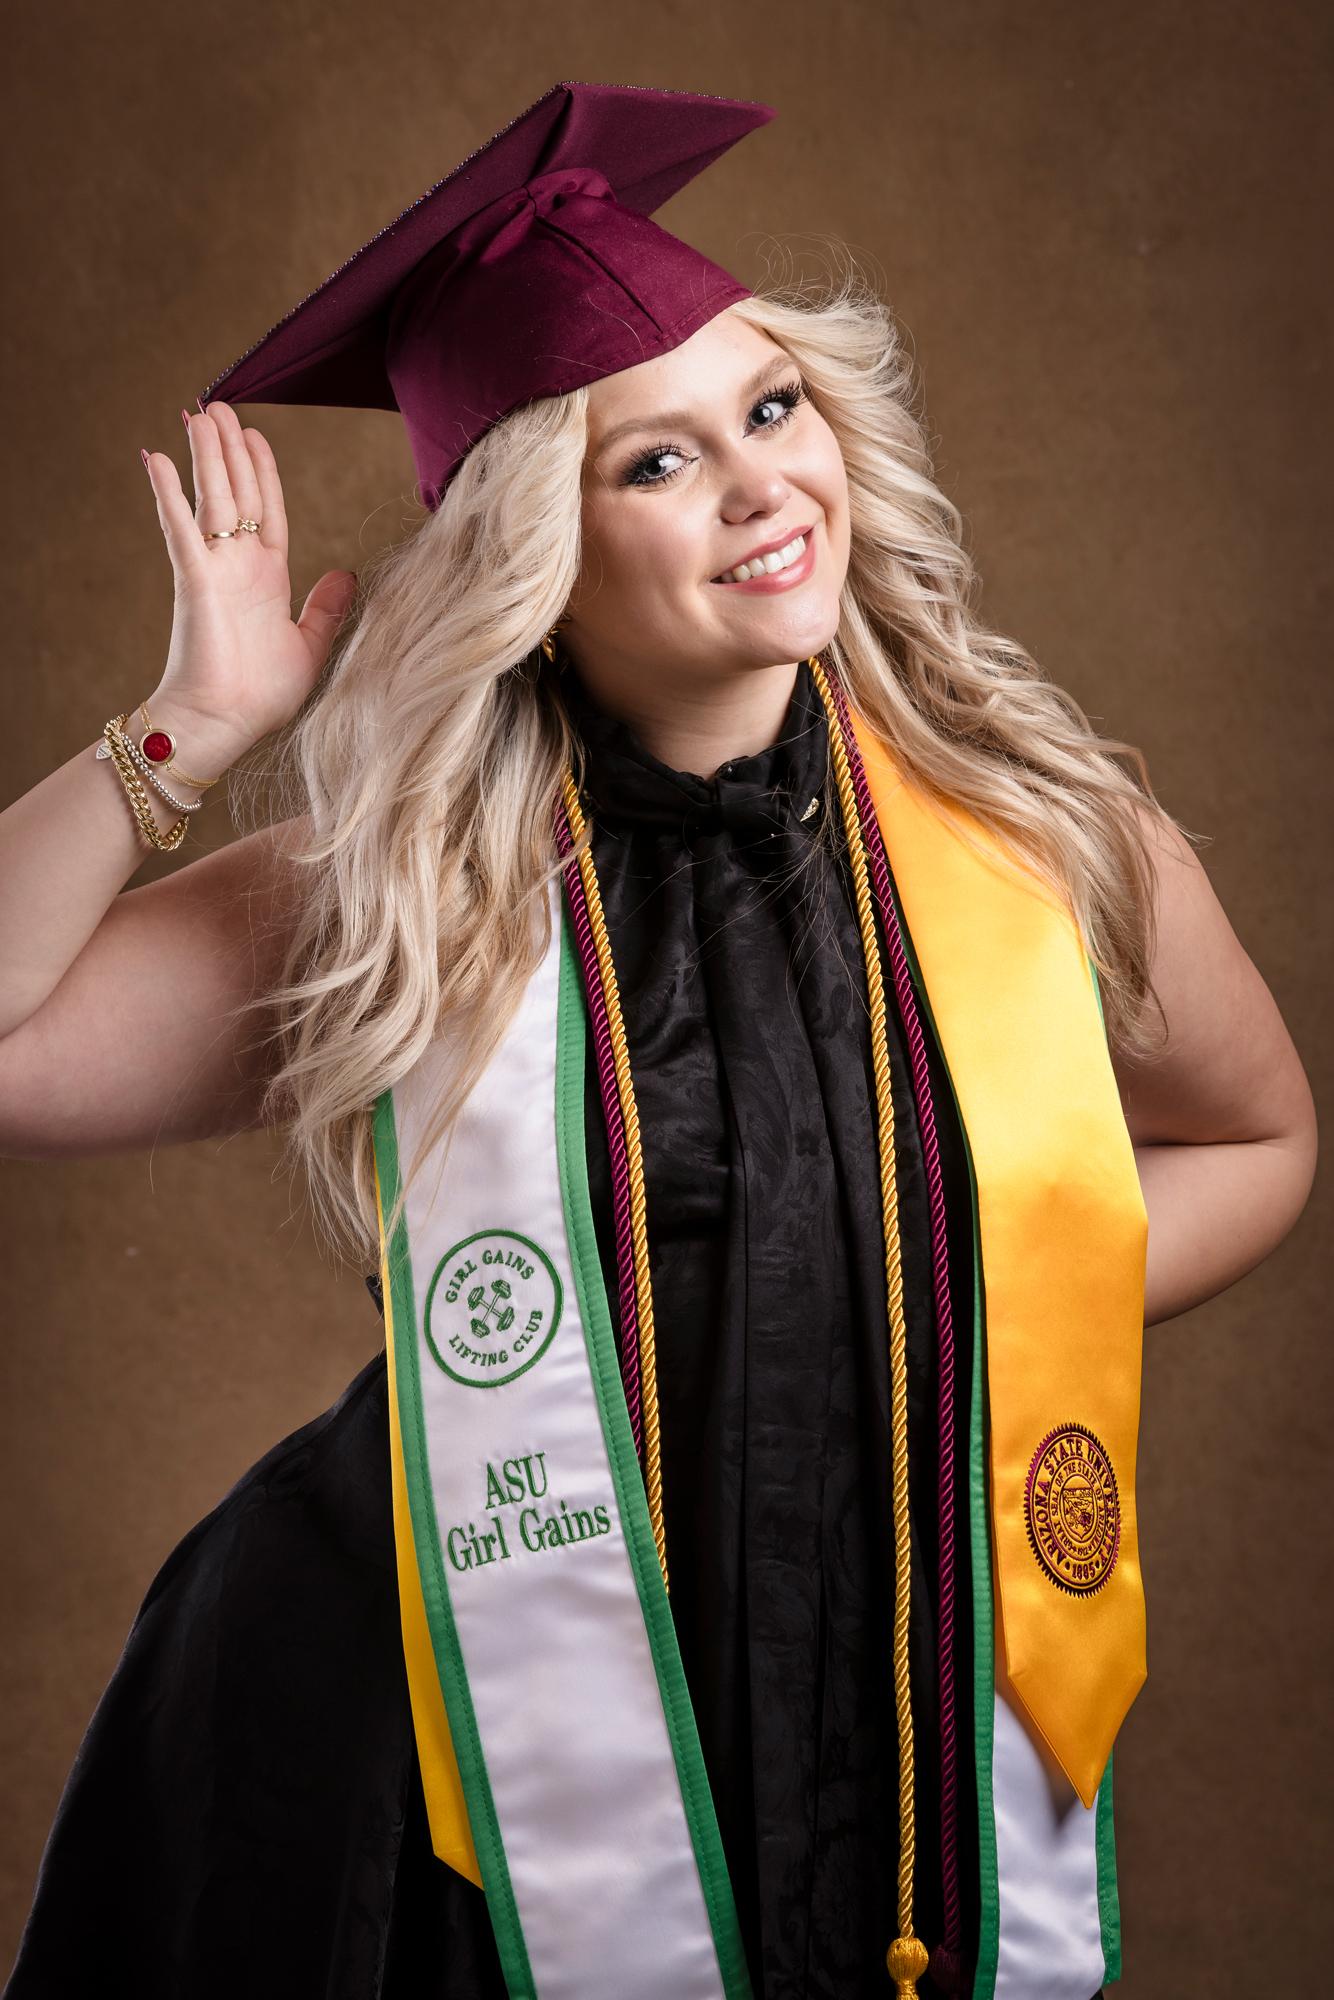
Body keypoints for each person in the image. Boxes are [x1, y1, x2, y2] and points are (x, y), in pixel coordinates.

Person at [0, 81, 1314, 2000]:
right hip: (425, 1778)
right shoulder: (411, 890)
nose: (760, 487)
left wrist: (959, 1298)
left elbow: (1258, 1143)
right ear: (535, 552)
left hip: (882, 1710)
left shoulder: (1044, 837)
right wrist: (186, 731)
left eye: (769, 410)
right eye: (658, 461)